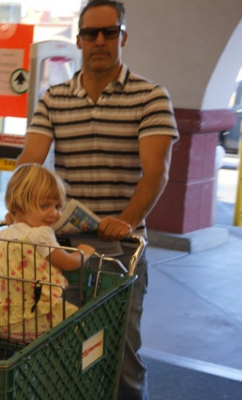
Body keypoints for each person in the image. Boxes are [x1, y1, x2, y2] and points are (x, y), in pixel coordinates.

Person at [17, 1, 179, 399]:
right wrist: (18, 208)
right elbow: (30, 160)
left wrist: (125, 220)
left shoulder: (151, 97)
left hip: (121, 251)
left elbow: (155, 172)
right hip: (64, 248)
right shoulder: (53, 98)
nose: (100, 41)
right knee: (63, 348)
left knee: (121, 354)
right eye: (91, 33)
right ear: (79, 40)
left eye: (110, 32)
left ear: (124, 37)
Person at [0, 164, 95, 343]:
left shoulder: (2, 235)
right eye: (45, 206)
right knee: (87, 332)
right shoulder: (41, 234)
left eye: (58, 206)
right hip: (42, 322)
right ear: (19, 206)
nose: (54, 213)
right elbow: (68, 263)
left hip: (8, 324)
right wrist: (84, 251)